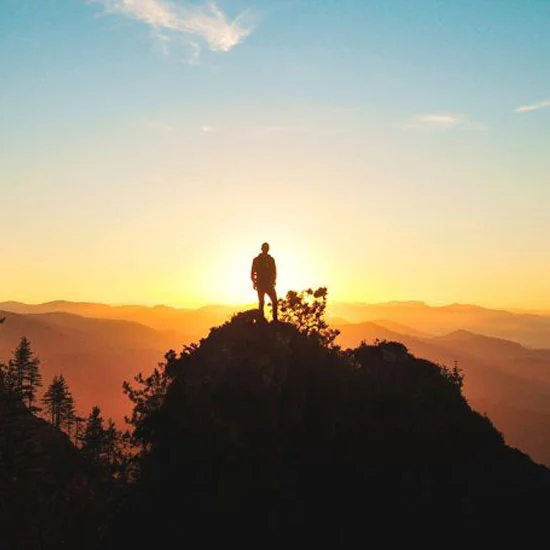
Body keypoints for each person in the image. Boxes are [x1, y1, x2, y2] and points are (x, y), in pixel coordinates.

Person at [251, 242, 278, 321]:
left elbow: (274, 271)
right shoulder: (256, 259)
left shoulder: (271, 259)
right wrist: (254, 282)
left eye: (267, 248)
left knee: (274, 301)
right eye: (264, 248)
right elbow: (252, 272)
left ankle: (275, 319)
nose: (266, 249)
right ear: (262, 249)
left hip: (269, 284)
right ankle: (261, 319)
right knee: (261, 302)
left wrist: (273, 281)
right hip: (260, 284)